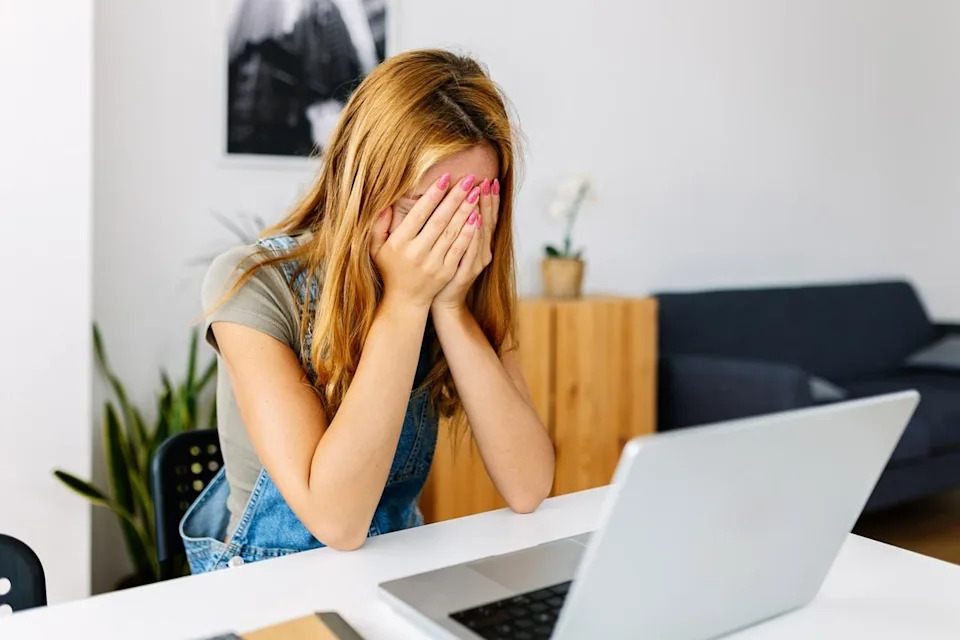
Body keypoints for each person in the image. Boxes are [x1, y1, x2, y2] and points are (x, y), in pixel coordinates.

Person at [182, 49, 556, 573]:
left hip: (391, 569)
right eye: (423, 207)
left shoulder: (462, 286)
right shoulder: (253, 285)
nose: (447, 234)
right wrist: (405, 304)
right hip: (266, 577)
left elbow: (528, 486)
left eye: (468, 208)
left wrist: (449, 308)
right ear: (362, 186)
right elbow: (337, 522)